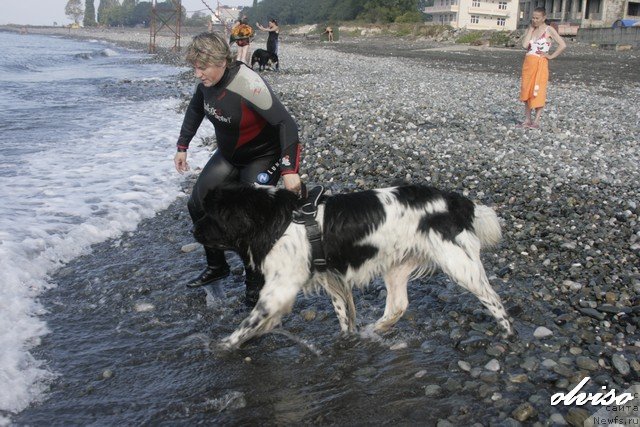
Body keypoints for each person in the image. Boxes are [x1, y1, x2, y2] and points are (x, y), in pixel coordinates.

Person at [174, 32, 302, 306]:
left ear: (221, 61)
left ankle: (255, 285)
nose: (197, 74)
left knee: (249, 222)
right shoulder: (207, 83)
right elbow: (195, 110)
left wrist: (290, 169)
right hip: (230, 155)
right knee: (198, 205)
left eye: (202, 67)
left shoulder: (247, 83)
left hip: (263, 157)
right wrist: (182, 146)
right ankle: (217, 266)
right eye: (194, 67)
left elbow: (286, 124)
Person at [518, 7, 566, 129]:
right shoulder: (532, 29)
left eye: (537, 18)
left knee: (538, 90)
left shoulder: (549, 30)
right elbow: (524, 45)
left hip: (540, 63)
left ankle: (536, 120)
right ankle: (527, 119)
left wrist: (550, 56)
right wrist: (530, 29)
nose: (534, 20)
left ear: (543, 18)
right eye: (533, 18)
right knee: (526, 90)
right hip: (528, 63)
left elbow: (562, 45)